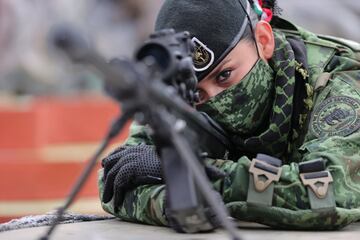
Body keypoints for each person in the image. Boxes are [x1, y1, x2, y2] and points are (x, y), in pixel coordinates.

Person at [98, 0, 360, 231]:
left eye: (224, 75)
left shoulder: (338, 80)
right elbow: (115, 184)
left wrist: (188, 172)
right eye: (198, 92)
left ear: (264, 41)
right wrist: (184, 206)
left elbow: (329, 194)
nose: (214, 98)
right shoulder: (177, 95)